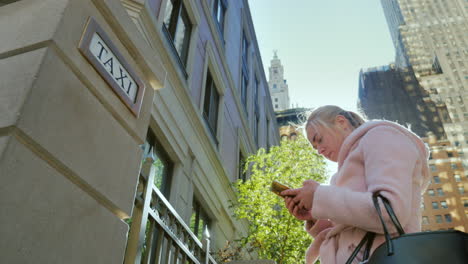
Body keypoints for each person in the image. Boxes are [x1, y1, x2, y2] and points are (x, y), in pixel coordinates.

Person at [281, 105, 430, 264]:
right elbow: (352, 232)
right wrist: (314, 215)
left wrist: (319, 196)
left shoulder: (381, 136)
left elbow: (389, 212)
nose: (319, 150)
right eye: (315, 147)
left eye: (319, 139)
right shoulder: (340, 175)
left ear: (341, 122)